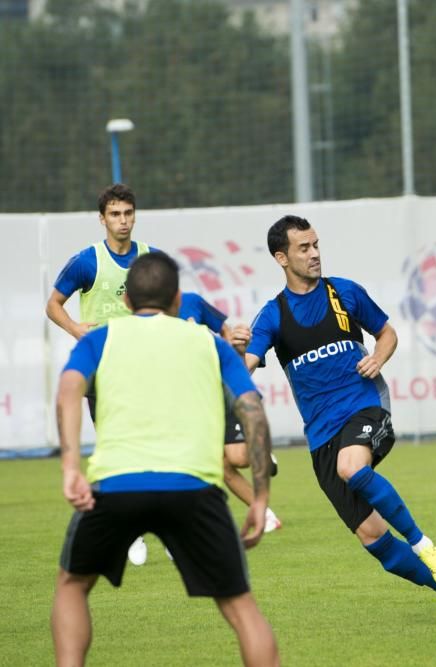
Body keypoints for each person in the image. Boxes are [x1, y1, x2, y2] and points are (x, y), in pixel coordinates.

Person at [52, 252, 279, 666]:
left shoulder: (100, 339)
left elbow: (68, 391)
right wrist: (260, 496)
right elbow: (252, 410)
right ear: (178, 300)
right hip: (193, 488)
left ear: (126, 302)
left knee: (72, 585)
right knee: (241, 606)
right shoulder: (210, 343)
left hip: (116, 485)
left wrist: (70, 467)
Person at [245, 215, 436, 628]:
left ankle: (424, 545)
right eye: (303, 248)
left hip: (365, 406)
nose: (314, 254)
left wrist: (378, 358)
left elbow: (387, 333)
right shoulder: (272, 316)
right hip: (321, 437)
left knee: (352, 467)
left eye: (315, 245)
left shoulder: (344, 292)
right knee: (374, 540)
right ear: (281, 257)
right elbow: (249, 364)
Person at [45, 182, 154, 566]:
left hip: (145, 368)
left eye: (128, 213)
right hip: (104, 371)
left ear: (135, 215)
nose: (122, 221)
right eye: (115, 214)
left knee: (154, 444)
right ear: (102, 219)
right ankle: (134, 532)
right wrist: (75, 328)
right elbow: (53, 304)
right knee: (119, 447)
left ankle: (166, 525)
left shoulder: (150, 258)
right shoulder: (86, 262)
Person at [179, 291, 283, 532]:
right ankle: (265, 514)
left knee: (239, 458)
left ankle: (263, 454)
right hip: (198, 400)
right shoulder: (141, 324)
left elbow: (225, 330)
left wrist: (235, 343)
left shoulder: (190, 302)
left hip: (225, 389)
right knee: (220, 465)